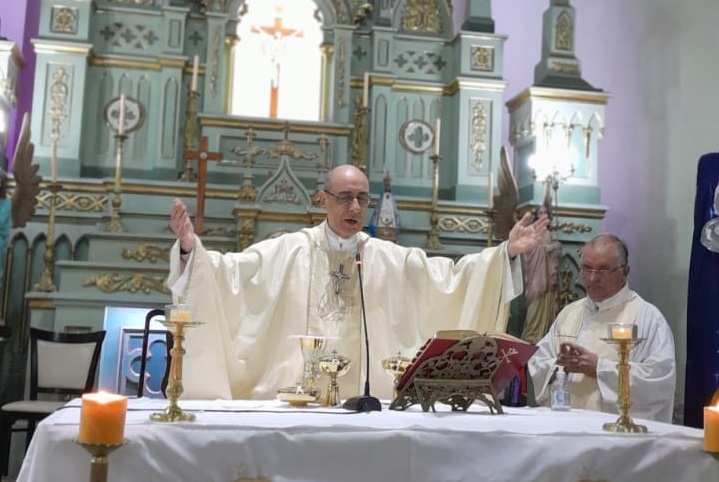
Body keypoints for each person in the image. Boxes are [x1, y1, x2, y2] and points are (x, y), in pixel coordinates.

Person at [168, 164, 549, 400]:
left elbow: (449, 279)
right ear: (323, 199)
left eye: (362, 199)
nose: (354, 207)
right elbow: (231, 274)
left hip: (369, 402)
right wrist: (190, 249)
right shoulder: (289, 250)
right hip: (296, 401)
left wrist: (506, 254)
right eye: (345, 197)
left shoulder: (384, 256)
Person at [527, 234, 676, 422]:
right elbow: (538, 360)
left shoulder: (647, 318)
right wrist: (559, 365)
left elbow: (658, 381)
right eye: (587, 268)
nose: (592, 278)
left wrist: (599, 368)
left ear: (625, 271)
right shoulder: (569, 313)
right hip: (565, 427)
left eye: (603, 270)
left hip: (615, 435)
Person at [520, 205, 562, 344]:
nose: (543, 214)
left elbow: (556, 248)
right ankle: (532, 334)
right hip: (536, 277)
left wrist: (554, 247)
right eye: (540, 212)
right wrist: (546, 249)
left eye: (545, 212)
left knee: (547, 302)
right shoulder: (533, 232)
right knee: (534, 306)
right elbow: (529, 251)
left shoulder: (551, 234)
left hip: (548, 277)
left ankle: (544, 334)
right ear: (537, 216)